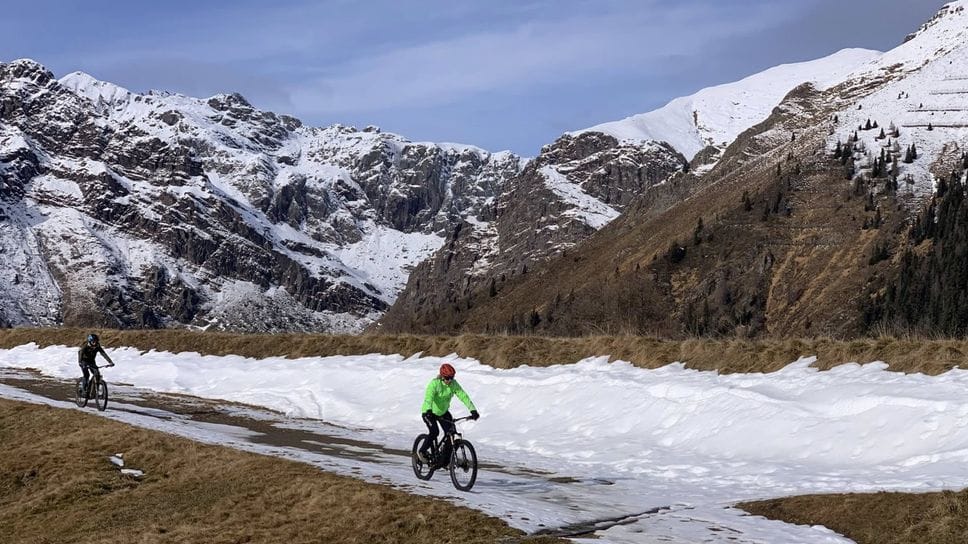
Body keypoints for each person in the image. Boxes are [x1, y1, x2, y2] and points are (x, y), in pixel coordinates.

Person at [418, 363, 479, 466]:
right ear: (442, 376)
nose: (449, 380)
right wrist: (428, 411)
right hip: (429, 413)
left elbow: (463, 396)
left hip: (443, 412)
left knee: (452, 434)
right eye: (447, 378)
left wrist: (473, 410)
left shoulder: (453, 384)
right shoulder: (434, 384)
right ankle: (422, 452)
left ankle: (445, 459)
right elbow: (429, 398)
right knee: (434, 432)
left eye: (451, 377)